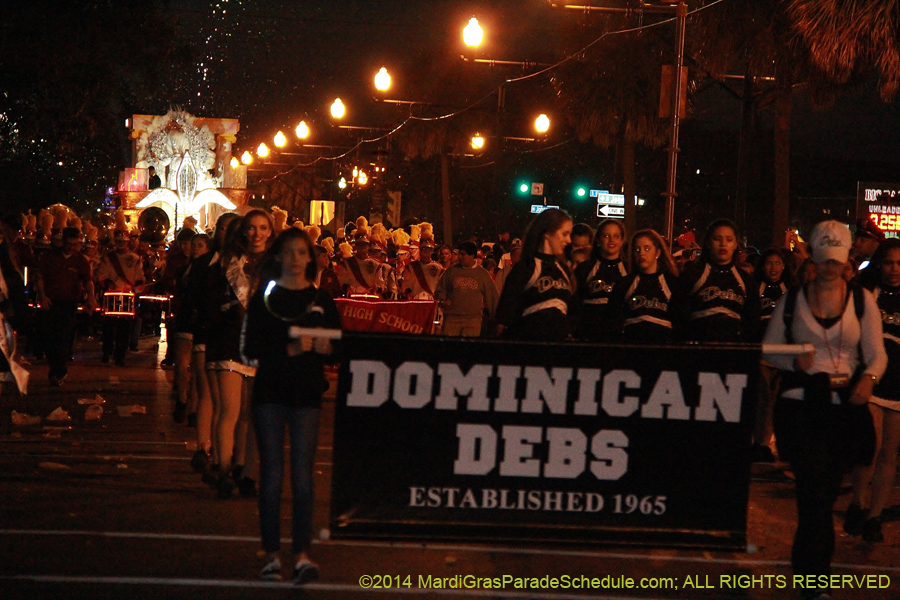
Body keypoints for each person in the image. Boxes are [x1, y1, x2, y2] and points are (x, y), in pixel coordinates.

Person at [763, 220, 887, 600]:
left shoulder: (863, 302)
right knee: (813, 493)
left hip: (842, 410)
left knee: (824, 492)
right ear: (815, 258)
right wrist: (793, 361)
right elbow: (768, 349)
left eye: (837, 259)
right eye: (825, 259)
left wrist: (868, 380)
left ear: (847, 258)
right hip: (801, 408)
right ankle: (814, 581)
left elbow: (877, 354)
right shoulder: (792, 301)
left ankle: (811, 575)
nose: (831, 267)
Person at [241, 227, 340, 584]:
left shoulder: (321, 300)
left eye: (303, 252)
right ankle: (271, 554)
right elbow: (250, 349)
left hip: (306, 396)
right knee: (271, 476)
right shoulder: (265, 298)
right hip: (270, 395)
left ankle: (301, 554)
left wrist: (326, 348)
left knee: (302, 477)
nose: (296, 259)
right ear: (278, 257)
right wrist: (290, 349)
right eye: (290, 252)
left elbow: (338, 344)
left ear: (310, 258)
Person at [847, 237, 900, 543]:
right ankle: (857, 502)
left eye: (899, 263)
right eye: (889, 262)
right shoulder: (868, 295)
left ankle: (874, 516)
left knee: (889, 454)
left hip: (898, 385)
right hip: (873, 379)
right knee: (870, 446)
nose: (894, 269)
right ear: (880, 264)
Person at [496, 208, 574, 341]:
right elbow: (504, 313)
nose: (569, 240)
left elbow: (573, 312)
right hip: (530, 349)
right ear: (548, 233)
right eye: (564, 234)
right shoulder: (526, 267)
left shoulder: (564, 270)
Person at [678, 218, 759, 343]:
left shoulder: (745, 279)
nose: (723, 244)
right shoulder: (692, 275)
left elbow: (752, 319)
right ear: (709, 243)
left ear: (736, 244)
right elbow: (678, 312)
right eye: (717, 239)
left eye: (729, 239)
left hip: (732, 352)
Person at [34, 227, 98, 386]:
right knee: (49, 337)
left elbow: (88, 281)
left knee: (63, 337)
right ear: (63, 242)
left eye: (75, 244)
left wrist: (91, 298)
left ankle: (59, 371)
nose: (71, 247)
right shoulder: (50, 257)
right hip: (50, 303)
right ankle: (54, 368)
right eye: (69, 243)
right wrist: (42, 296)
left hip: (69, 303)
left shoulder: (80, 260)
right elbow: (40, 277)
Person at [753, 248, 794, 463]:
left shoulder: (789, 290)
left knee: (777, 401)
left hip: (784, 354)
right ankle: (759, 443)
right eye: (769, 263)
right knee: (762, 399)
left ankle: (772, 442)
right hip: (762, 353)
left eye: (778, 263)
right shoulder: (756, 289)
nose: (773, 268)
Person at [608, 229, 679, 344]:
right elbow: (613, 320)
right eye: (637, 249)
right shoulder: (624, 284)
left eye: (647, 249)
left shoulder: (672, 283)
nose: (641, 253)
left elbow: (680, 320)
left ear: (657, 253)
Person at [573, 219, 628, 341]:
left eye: (616, 236)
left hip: (619, 336)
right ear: (598, 239)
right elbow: (575, 301)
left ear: (622, 240)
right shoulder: (585, 268)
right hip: (588, 335)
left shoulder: (629, 270)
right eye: (606, 236)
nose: (611, 240)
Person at [96, 230, 144, 366]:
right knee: (108, 329)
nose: (120, 244)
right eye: (118, 241)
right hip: (111, 297)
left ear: (128, 242)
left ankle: (120, 356)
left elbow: (139, 279)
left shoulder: (135, 259)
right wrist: (110, 283)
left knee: (124, 330)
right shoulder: (107, 258)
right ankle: (106, 352)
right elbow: (100, 276)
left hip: (127, 299)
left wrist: (136, 287)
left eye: (123, 241)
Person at [434, 241, 498, 337]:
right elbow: (440, 288)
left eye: (463, 254)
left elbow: (492, 296)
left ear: (472, 256)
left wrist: (496, 319)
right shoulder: (451, 271)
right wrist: (443, 300)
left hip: (473, 320)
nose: (460, 257)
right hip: (452, 319)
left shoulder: (482, 274)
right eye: (459, 254)